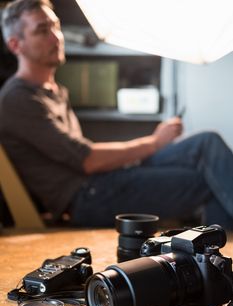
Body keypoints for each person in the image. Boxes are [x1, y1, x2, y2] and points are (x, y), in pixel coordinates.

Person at [1, 0, 233, 230]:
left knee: (205, 143)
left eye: (56, 26)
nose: (56, 37)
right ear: (15, 45)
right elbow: (88, 160)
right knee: (206, 183)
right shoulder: (18, 99)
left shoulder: (54, 89)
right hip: (84, 197)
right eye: (42, 30)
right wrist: (153, 142)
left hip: (99, 180)